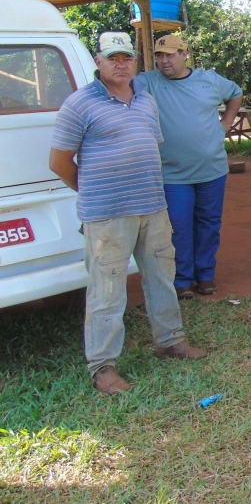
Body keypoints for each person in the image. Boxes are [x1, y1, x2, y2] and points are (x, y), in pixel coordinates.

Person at [49, 32, 207, 395]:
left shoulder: (145, 101)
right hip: (107, 215)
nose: (121, 64)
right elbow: (59, 161)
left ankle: (170, 341)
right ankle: (102, 367)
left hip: (152, 207)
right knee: (107, 291)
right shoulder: (79, 104)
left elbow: (149, 147)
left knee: (161, 277)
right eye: (113, 58)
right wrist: (92, 191)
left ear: (134, 61)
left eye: (127, 58)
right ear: (98, 61)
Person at [134, 35, 243, 299]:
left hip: (212, 170)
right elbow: (112, 82)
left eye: (169, 55)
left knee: (208, 223)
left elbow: (236, 93)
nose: (163, 61)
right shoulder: (148, 82)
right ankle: (182, 279)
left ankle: (205, 275)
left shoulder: (210, 79)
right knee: (179, 227)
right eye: (159, 56)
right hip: (172, 173)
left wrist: (226, 123)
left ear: (184, 54)